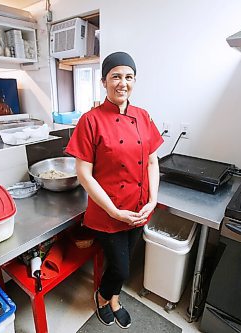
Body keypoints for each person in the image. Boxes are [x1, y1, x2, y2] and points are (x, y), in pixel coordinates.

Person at [65, 51, 164, 329]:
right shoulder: (90, 120)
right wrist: (113, 210)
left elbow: (153, 162)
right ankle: (102, 295)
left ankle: (115, 299)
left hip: (139, 207)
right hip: (108, 211)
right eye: (116, 76)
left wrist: (153, 200)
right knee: (121, 267)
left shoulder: (143, 116)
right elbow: (83, 173)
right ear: (104, 81)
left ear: (134, 80)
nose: (123, 82)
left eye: (128, 76)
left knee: (125, 261)